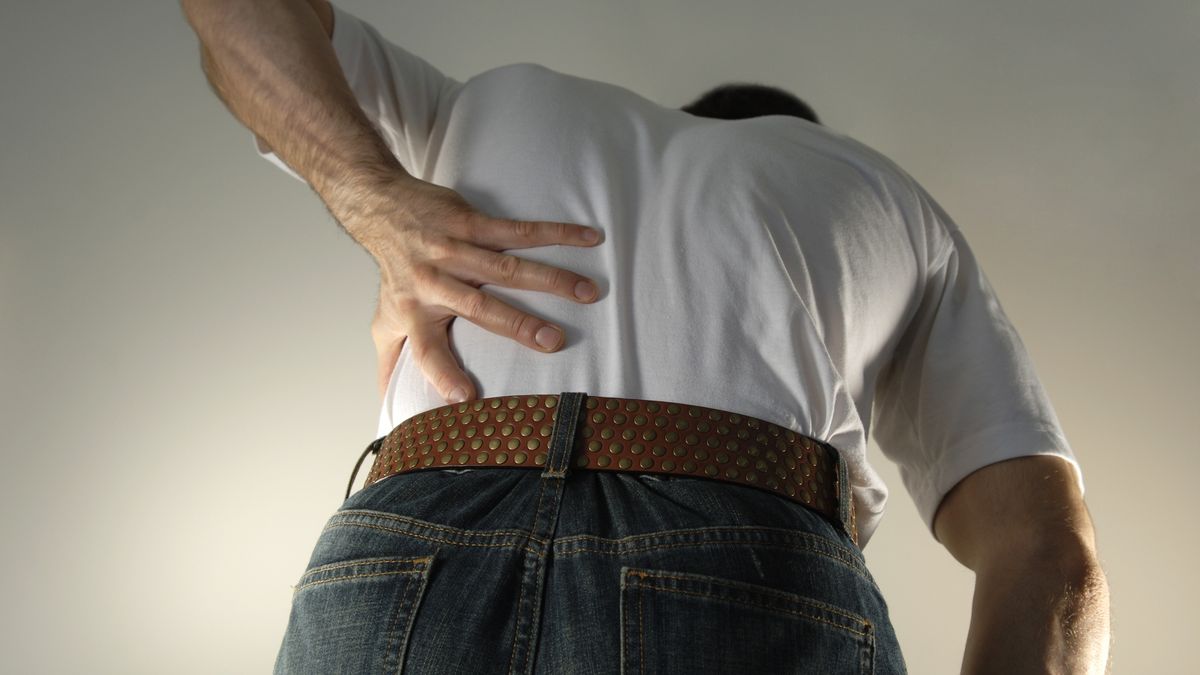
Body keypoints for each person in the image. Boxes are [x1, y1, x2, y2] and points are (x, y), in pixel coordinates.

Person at [182, 0, 1112, 673]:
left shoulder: (489, 104)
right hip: (741, 564)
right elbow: (1049, 556)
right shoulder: (881, 192)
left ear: (686, 120)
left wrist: (371, 198)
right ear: (790, 134)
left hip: (415, 536)